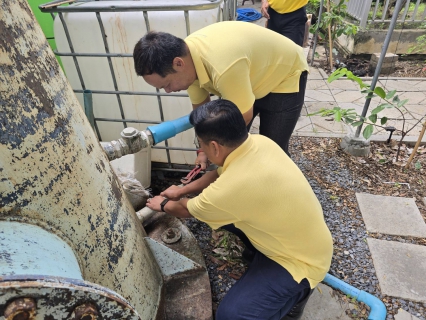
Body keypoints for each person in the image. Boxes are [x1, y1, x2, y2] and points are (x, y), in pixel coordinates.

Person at [145, 99, 333, 320]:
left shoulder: (228, 191)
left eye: (202, 145)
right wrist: (181, 189)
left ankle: (293, 303)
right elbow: (219, 172)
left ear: (214, 146)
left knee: (230, 315)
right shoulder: (260, 143)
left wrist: (164, 204)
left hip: (299, 262)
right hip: (306, 239)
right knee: (227, 218)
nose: (202, 149)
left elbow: (188, 210)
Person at [133, 21, 309, 167]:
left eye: (167, 84)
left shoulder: (222, 66)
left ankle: (278, 193)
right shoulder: (188, 62)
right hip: (251, 75)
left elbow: (242, 117)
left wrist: (215, 153)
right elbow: (202, 116)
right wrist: (203, 151)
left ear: (178, 63)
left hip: (285, 73)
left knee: (272, 149)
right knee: (234, 148)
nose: (169, 91)